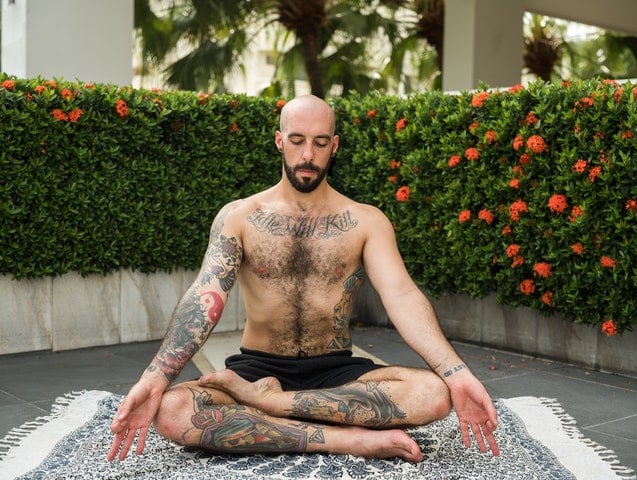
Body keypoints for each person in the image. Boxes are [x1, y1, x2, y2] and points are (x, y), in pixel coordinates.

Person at [108, 94, 500, 464]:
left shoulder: (366, 220)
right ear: (279, 141)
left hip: (336, 371)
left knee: (433, 394)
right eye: (296, 141)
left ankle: (272, 408)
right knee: (172, 411)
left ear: (336, 145)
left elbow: (400, 294)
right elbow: (206, 294)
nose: (308, 155)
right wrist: (156, 376)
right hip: (256, 368)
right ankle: (347, 438)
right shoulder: (239, 216)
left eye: (320, 142)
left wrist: (457, 374)